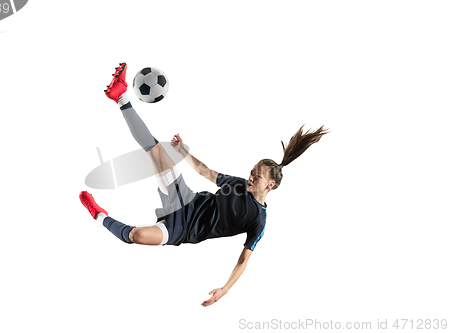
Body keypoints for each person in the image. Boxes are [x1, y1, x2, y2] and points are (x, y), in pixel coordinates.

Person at [79, 62, 329, 307]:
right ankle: (120, 96)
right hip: (184, 199)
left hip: (183, 230)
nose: (251, 177)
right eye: (252, 172)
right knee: (156, 151)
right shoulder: (239, 185)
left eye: (257, 176)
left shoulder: (258, 221)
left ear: (271, 185)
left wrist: (225, 289)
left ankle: (98, 215)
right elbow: (207, 173)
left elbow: (244, 259)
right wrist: (183, 152)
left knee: (136, 235)